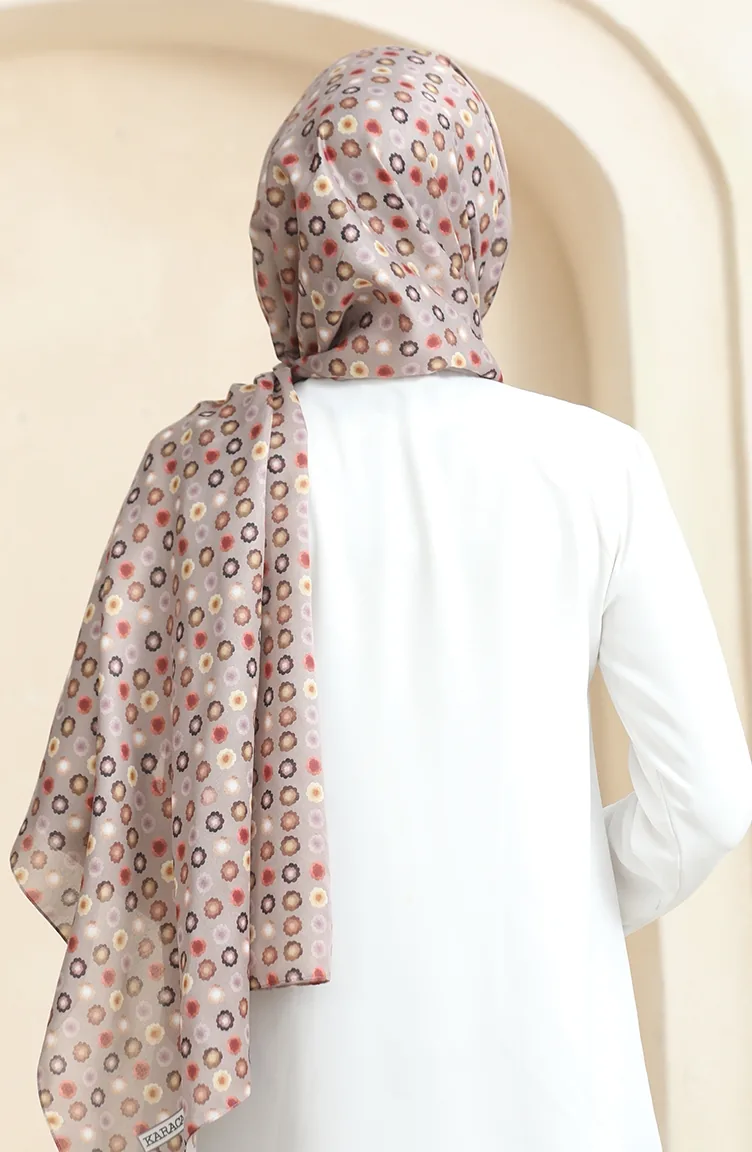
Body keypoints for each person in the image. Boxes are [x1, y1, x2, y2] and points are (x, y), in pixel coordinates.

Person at [10, 43, 752, 1152]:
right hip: (555, 1080)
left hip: (286, 1098)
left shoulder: (199, 473)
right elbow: (707, 803)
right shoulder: (597, 466)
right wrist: (550, 896)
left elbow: (135, 833)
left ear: (288, 230)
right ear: (475, 218)